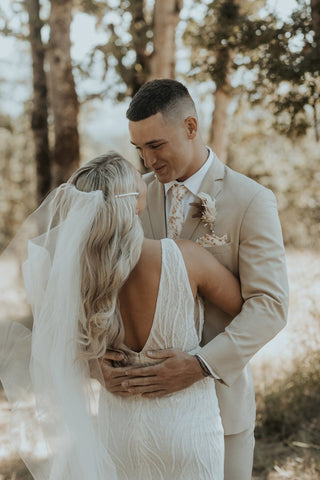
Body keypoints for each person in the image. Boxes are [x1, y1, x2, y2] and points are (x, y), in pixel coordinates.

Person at [0, 152, 244, 479]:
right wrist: (201, 361)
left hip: (118, 437)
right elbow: (246, 309)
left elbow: (56, 349)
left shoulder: (75, 279)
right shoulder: (185, 257)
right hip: (187, 431)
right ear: (136, 202)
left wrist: (93, 367)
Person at [100, 79, 290, 480]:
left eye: (156, 146)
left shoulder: (250, 200)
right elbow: (103, 282)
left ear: (190, 127)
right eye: (139, 149)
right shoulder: (133, 196)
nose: (148, 161)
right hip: (138, 414)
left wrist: (200, 365)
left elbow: (270, 306)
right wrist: (98, 354)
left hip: (218, 408)